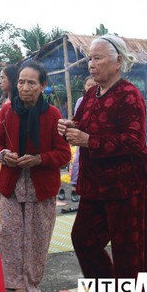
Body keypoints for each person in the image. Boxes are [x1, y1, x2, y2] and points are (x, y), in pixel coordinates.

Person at [58, 35, 147, 292]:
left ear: (118, 62)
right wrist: (69, 127)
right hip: (96, 184)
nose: (92, 64)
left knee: (129, 256)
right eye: (90, 58)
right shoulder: (92, 94)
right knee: (83, 239)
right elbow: (85, 124)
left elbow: (134, 141)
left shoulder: (130, 95)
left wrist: (89, 140)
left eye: (98, 58)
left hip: (127, 185)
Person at [0, 61, 71, 292]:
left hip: (41, 187)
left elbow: (64, 154)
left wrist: (39, 159)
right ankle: (12, 283)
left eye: (31, 83)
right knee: (10, 235)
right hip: (12, 186)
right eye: (21, 82)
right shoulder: (6, 112)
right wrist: (5, 155)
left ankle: (30, 284)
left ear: (42, 86)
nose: (24, 87)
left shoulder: (53, 115)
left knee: (37, 238)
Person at [0, 64, 20, 239]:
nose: (0, 81)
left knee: (5, 192)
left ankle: (4, 230)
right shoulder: (5, 102)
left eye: (3, 77)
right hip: (0, 152)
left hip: (8, 154)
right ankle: (0, 230)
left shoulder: (13, 104)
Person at [60, 75, 96, 204]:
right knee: (78, 161)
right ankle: (75, 186)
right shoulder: (81, 100)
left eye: (93, 84)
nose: (91, 87)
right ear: (84, 87)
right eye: (88, 85)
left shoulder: (103, 99)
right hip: (83, 136)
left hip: (96, 138)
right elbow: (78, 119)